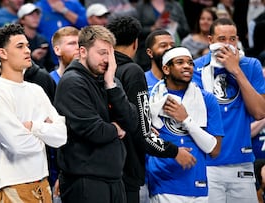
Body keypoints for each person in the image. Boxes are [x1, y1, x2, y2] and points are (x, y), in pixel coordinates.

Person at [106, 16, 197, 203]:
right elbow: (143, 131)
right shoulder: (133, 71)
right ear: (136, 42)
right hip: (126, 167)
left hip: (101, 165)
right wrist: (175, 151)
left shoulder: (100, 67)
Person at [0, 23, 67, 202]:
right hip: (10, 185)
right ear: (2, 53)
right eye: (20, 46)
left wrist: (32, 126)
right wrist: (44, 134)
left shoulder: (36, 90)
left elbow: (61, 136)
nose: (27, 50)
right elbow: (17, 145)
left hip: (42, 182)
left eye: (27, 45)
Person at [53, 25, 137, 203]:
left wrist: (111, 86)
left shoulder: (109, 80)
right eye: (101, 53)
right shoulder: (72, 82)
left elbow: (132, 122)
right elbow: (94, 131)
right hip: (85, 181)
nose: (107, 59)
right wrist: (115, 129)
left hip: (114, 178)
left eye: (110, 54)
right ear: (83, 52)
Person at [193, 17, 265, 203]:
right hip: (207, 163)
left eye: (232, 39)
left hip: (242, 160)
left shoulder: (251, 65)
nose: (227, 45)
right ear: (210, 41)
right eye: (221, 39)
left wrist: (236, 71)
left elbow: (259, 112)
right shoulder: (196, 69)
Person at [147, 46, 223, 202]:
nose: (187, 66)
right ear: (166, 69)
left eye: (190, 63)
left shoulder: (207, 99)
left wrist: (186, 120)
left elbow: (214, 149)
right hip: (164, 183)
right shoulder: (150, 98)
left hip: (198, 183)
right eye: (180, 62)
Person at [35, 0, 87, 65]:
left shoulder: (73, 3)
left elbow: (85, 24)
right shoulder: (39, 6)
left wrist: (64, 10)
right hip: (47, 58)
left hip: (73, 57)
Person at [17, 2, 55, 72]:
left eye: (37, 14)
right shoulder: (17, 40)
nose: (35, 17)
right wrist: (31, 57)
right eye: (30, 14)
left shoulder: (43, 40)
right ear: (22, 20)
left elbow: (50, 65)